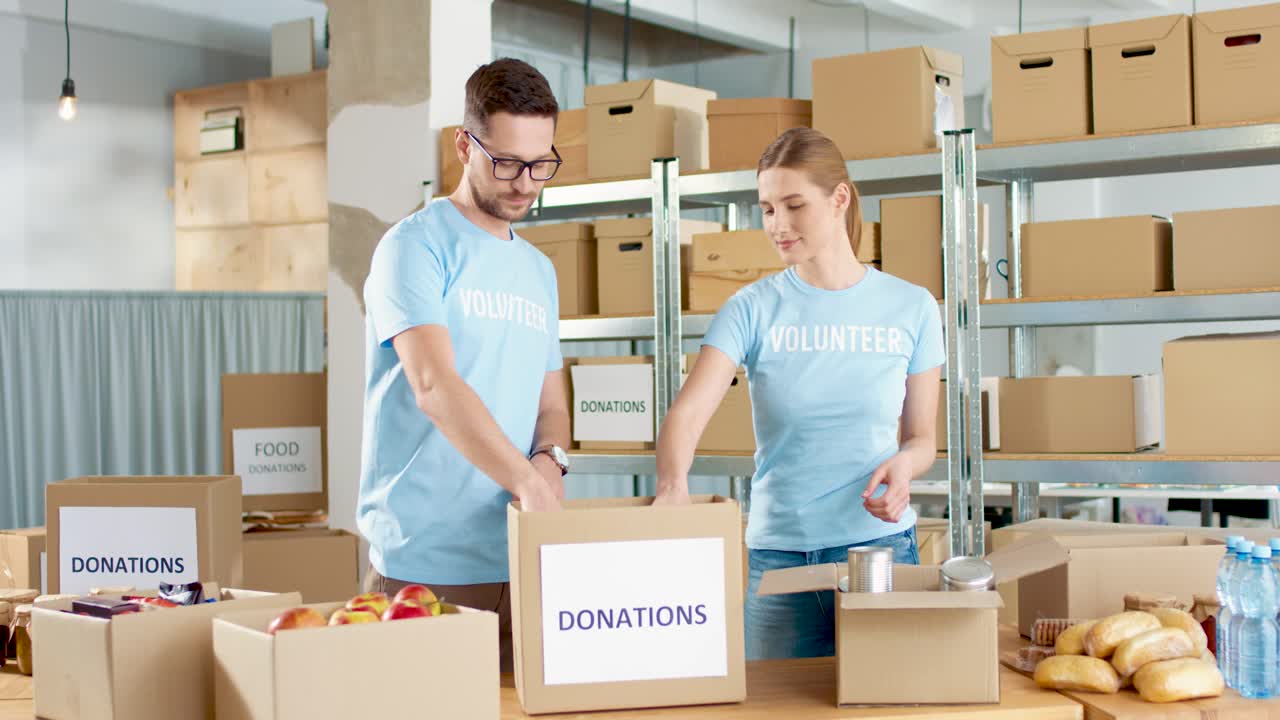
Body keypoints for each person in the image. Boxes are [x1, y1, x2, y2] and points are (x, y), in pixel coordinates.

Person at [654, 127, 944, 660]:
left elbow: (923, 437)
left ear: (839, 199)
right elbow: (687, 413)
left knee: (885, 706)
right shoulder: (751, 308)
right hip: (781, 556)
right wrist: (673, 485)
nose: (778, 225)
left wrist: (905, 466)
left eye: (794, 205)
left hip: (878, 551)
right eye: (766, 209)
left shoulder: (913, 307)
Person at [358, 58, 571, 671]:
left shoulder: (539, 271)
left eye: (540, 164)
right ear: (463, 145)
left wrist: (549, 461)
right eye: (506, 163)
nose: (525, 183)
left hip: (520, 556)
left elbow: (550, 403)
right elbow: (433, 385)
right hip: (426, 567)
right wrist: (527, 483)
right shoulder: (413, 247)